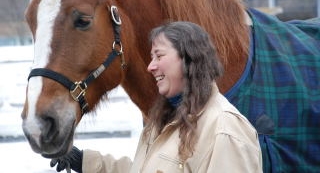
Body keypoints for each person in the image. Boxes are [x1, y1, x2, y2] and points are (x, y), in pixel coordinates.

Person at [51, 21, 263, 173]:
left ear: (190, 59)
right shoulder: (164, 121)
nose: (150, 67)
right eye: (151, 58)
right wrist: (84, 162)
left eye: (159, 56)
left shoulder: (223, 130)